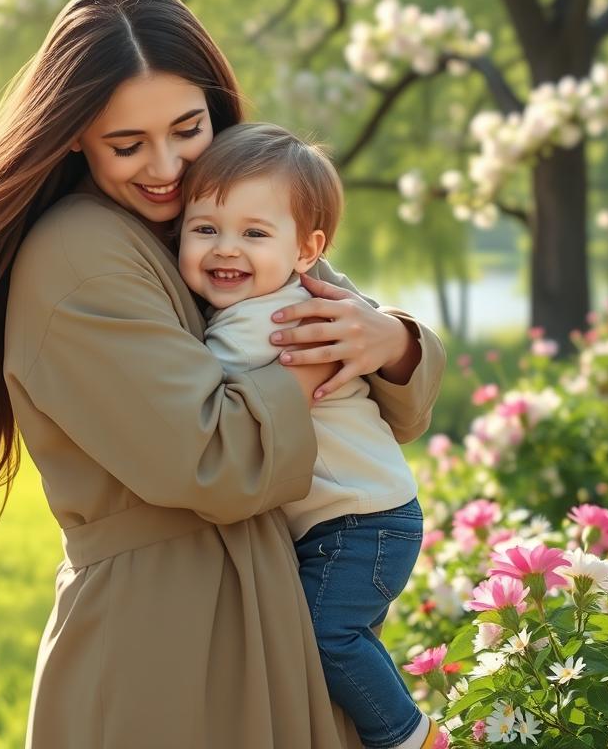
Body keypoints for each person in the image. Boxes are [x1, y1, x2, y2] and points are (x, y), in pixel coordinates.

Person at [0, 0, 445, 748]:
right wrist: (315, 352)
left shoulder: (220, 220)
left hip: (261, 604)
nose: (165, 166)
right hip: (164, 635)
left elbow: (398, 392)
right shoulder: (81, 259)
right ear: (73, 136)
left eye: (188, 128)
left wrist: (388, 340)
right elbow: (215, 460)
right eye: (127, 145)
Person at [178, 122, 441, 749]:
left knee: (327, 641)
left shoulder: (264, 321)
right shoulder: (274, 298)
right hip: (363, 514)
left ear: (306, 251)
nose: (226, 250)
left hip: (359, 520)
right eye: (205, 229)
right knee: (341, 653)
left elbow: (200, 402)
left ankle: (416, 739)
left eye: (255, 234)